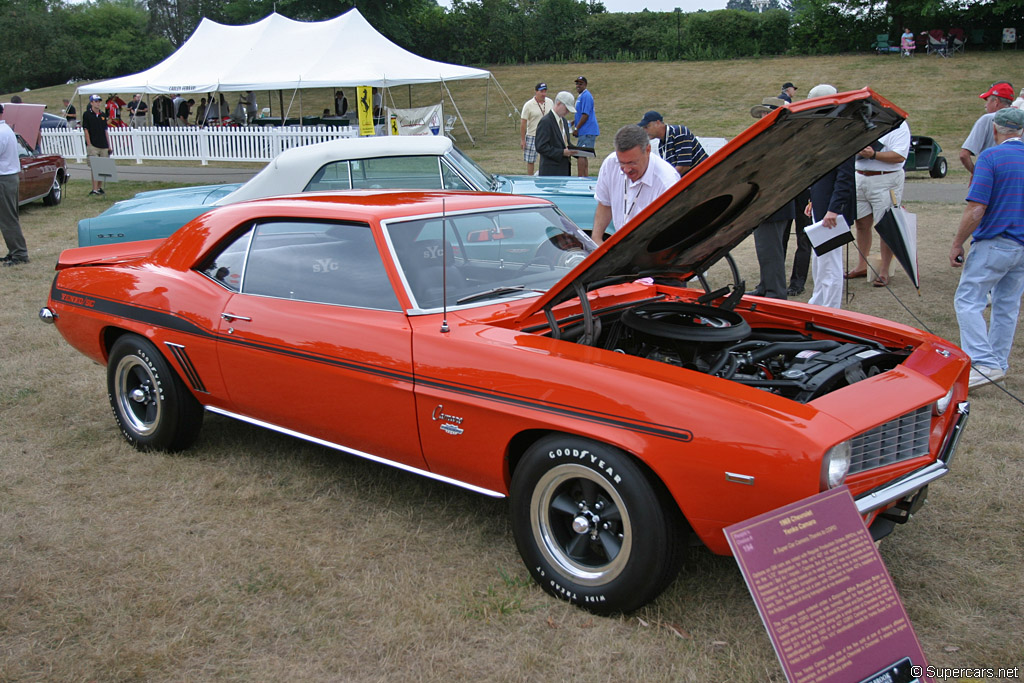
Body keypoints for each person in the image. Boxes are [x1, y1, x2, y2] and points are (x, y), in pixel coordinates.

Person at [949, 107, 1024, 390]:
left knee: (968, 300)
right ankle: (998, 363)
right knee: (1007, 305)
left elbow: (976, 208)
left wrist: (958, 242)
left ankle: (984, 361)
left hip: (995, 241)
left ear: (995, 131)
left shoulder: (991, 157)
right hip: (1021, 245)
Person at [803, 84, 856, 309]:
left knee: (831, 262)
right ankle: (818, 302)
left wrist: (834, 209)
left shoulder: (841, 134)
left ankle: (831, 309)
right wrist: (813, 200)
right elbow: (821, 173)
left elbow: (845, 177)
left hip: (833, 211)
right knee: (820, 259)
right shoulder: (825, 132)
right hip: (822, 205)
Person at [846, 119, 911, 287]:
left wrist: (874, 154)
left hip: (885, 178)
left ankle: (884, 270)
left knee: (885, 225)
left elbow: (899, 156)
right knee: (861, 223)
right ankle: (862, 264)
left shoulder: (898, 126)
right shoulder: (863, 124)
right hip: (860, 176)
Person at [591, 125, 681, 244]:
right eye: (622, 163)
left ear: (648, 150)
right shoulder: (611, 163)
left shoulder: (667, 182)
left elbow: (670, 233)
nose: (627, 169)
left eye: (632, 163)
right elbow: (605, 204)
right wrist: (596, 239)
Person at [747, 98, 794, 299]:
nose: (762, 118)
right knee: (766, 251)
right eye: (761, 115)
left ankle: (775, 293)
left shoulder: (781, 140)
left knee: (771, 252)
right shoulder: (772, 138)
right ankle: (766, 286)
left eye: (766, 114)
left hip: (773, 204)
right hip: (765, 204)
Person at [960, 82, 1015, 175]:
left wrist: (976, 174)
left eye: (987, 100)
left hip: (991, 176)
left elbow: (964, 155)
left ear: (996, 101)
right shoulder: (1019, 119)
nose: (985, 105)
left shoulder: (987, 119)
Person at [637, 110, 708, 177]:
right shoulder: (661, 146)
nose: (645, 131)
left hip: (704, 176)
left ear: (658, 123)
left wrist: (667, 182)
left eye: (647, 127)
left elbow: (684, 166)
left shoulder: (679, 132)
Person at [0, 104, 28, 266]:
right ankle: (14, 251)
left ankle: (20, 253)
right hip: (7, 177)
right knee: (8, 217)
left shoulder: (2, 132)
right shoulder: (6, 130)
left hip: (4, 178)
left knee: (8, 218)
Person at [535, 91, 576, 177]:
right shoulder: (546, 122)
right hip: (550, 171)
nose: (567, 112)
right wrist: (561, 152)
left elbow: (565, 142)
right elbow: (540, 147)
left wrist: (578, 151)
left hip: (564, 170)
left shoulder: (564, 121)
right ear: (558, 103)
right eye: (566, 109)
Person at [520, 83, 554, 175]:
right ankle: (530, 178)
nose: (543, 94)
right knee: (531, 160)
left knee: (547, 158)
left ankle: (545, 176)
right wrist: (523, 140)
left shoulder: (550, 102)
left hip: (547, 136)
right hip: (532, 135)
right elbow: (523, 123)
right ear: (536, 92)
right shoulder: (528, 105)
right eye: (541, 91)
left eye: (545, 91)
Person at [82, 94, 110, 196]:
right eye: (96, 101)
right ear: (91, 103)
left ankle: (99, 187)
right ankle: (94, 189)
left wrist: (108, 145)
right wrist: (89, 144)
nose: (98, 103)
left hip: (103, 144)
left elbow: (105, 131)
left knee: (102, 167)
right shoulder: (87, 114)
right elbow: (86, 130)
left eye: (99, 101)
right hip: (93, 144)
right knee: (95, 167)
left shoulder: (103, 115)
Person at [571, 76, 599, 177]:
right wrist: (573, 122)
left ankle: (580, 179)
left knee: (581, 154)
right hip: (584, 130)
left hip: (587, 130)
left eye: (581, 84)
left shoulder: (586, 96)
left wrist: (576, 128)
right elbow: (581, 114)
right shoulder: (581, 96)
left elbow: (586, 114)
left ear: (585, 85)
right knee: (584, 154)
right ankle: (585, 177)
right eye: (577, 84)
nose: (578, 86)